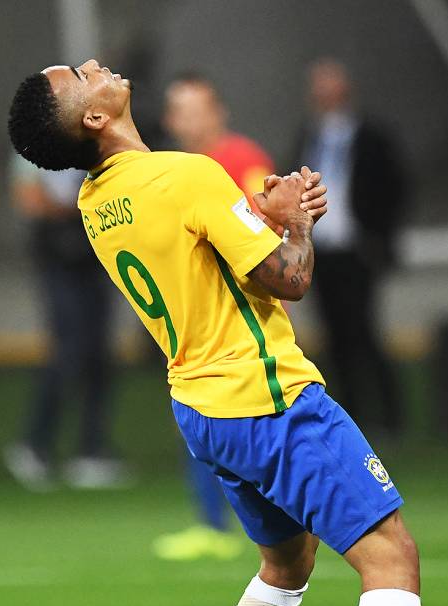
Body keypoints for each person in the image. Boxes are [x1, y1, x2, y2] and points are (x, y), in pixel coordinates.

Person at [8, 59, 421, 606]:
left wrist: (261, 219)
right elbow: (291, 279)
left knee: (286, 566)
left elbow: (199, 254)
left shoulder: (95, 204)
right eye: (80, 79)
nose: (91, 65)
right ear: (98, 117)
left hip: (204, 413)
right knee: (390, 555)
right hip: (267, 396)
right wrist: (296, 225)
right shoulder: (187, 175)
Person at [149, 73, 276, 561]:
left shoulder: (243, 159)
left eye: (196, 107)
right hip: (196, 326)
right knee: (201, 422)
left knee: (255, 425)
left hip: (246, 320)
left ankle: (273, 527)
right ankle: (212, 524)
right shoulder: (168, 170)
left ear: (218, 111)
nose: (187, 118)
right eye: (179, 109)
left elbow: (264, 231)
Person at [293, 58, 407, 434]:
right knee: (334, 337)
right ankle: (350, 416)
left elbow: (395, 189)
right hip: (321, 251)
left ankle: (390, 417)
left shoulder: (371, 137)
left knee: (364, 331)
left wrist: (380, 238)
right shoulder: (307, 137)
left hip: (358, 251)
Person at [3, 154, 128, 491]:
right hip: (58, 255)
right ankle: (34, 445)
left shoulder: (93, 141)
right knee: (68, 351)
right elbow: (30, 199)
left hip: (94, 254)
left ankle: (91, 450)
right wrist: (83, 208)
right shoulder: (37, 142)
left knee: (99, 354)